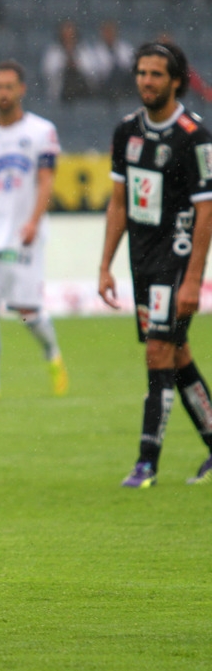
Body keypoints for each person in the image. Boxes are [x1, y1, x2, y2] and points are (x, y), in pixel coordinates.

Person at [99, 41, 212, 488]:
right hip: (142, 260)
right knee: (176, 353)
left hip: (177, 258)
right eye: (142, 73)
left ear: (176, 80)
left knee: (158, 352)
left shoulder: (194, 135)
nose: (146, 81)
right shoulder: (126, 131)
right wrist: (105, 264)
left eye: (156, 74)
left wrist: (193, 282)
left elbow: (207, 211)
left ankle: (147, 461)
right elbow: (119, 203)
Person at [0, 60, 68, 407]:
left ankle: (53, 353)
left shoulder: (42, 131)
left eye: (10, 86)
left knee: (27, 310)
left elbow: (46, 180)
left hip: (26, 234)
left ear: (21, 89)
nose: (4, 93)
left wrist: (34, 221)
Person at [41, 19, 96, 104]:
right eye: (65, 33)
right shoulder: (54, 51)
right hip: (62, 90)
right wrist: (64, 65)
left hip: (83, 89)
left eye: (71, 33)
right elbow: (48, 71)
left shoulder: (83, 49)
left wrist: (77, 64)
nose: (68, 36)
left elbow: (92, 71)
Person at [87, 20, 136, 101]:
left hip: (123, 84)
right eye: (106, 32)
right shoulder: (95, 51)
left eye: (111, 32)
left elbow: (130, 67)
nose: (109, 35)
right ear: (101, 33)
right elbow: (94, 72)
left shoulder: (126, 48)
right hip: (104, 85)